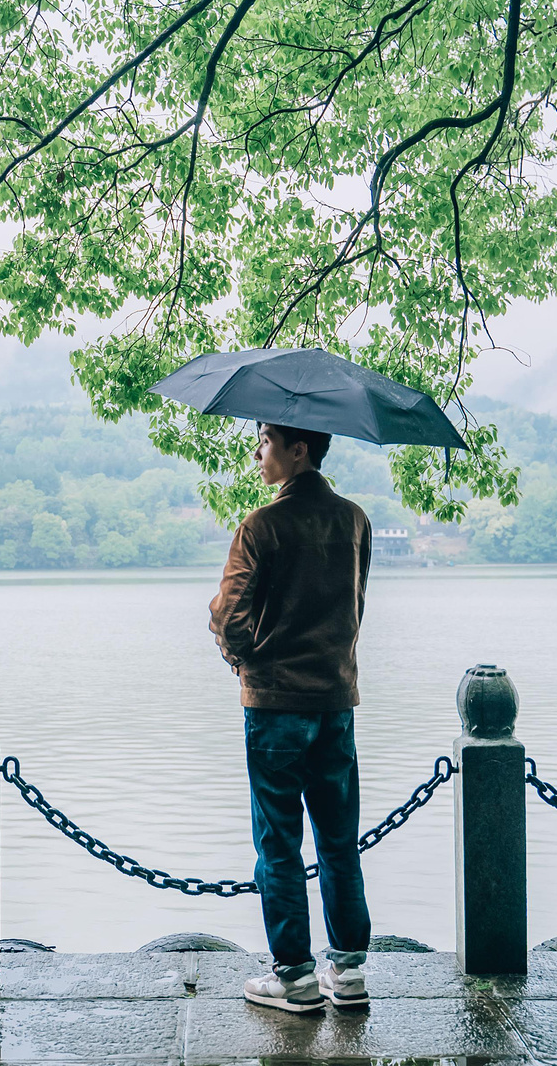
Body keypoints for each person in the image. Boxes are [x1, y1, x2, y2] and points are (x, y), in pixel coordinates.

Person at [208, 421, 372, 1014]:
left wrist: (243, 658)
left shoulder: (261, 526)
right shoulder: (355, 521)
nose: (258, 453)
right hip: (335, 702)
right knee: (338, 840)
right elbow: (353, 606)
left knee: (278, 842)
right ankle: (348, 973)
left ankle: (296, 978)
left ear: (297, 450)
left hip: (276, 705)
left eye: (265, 441)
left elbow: (228, 617)